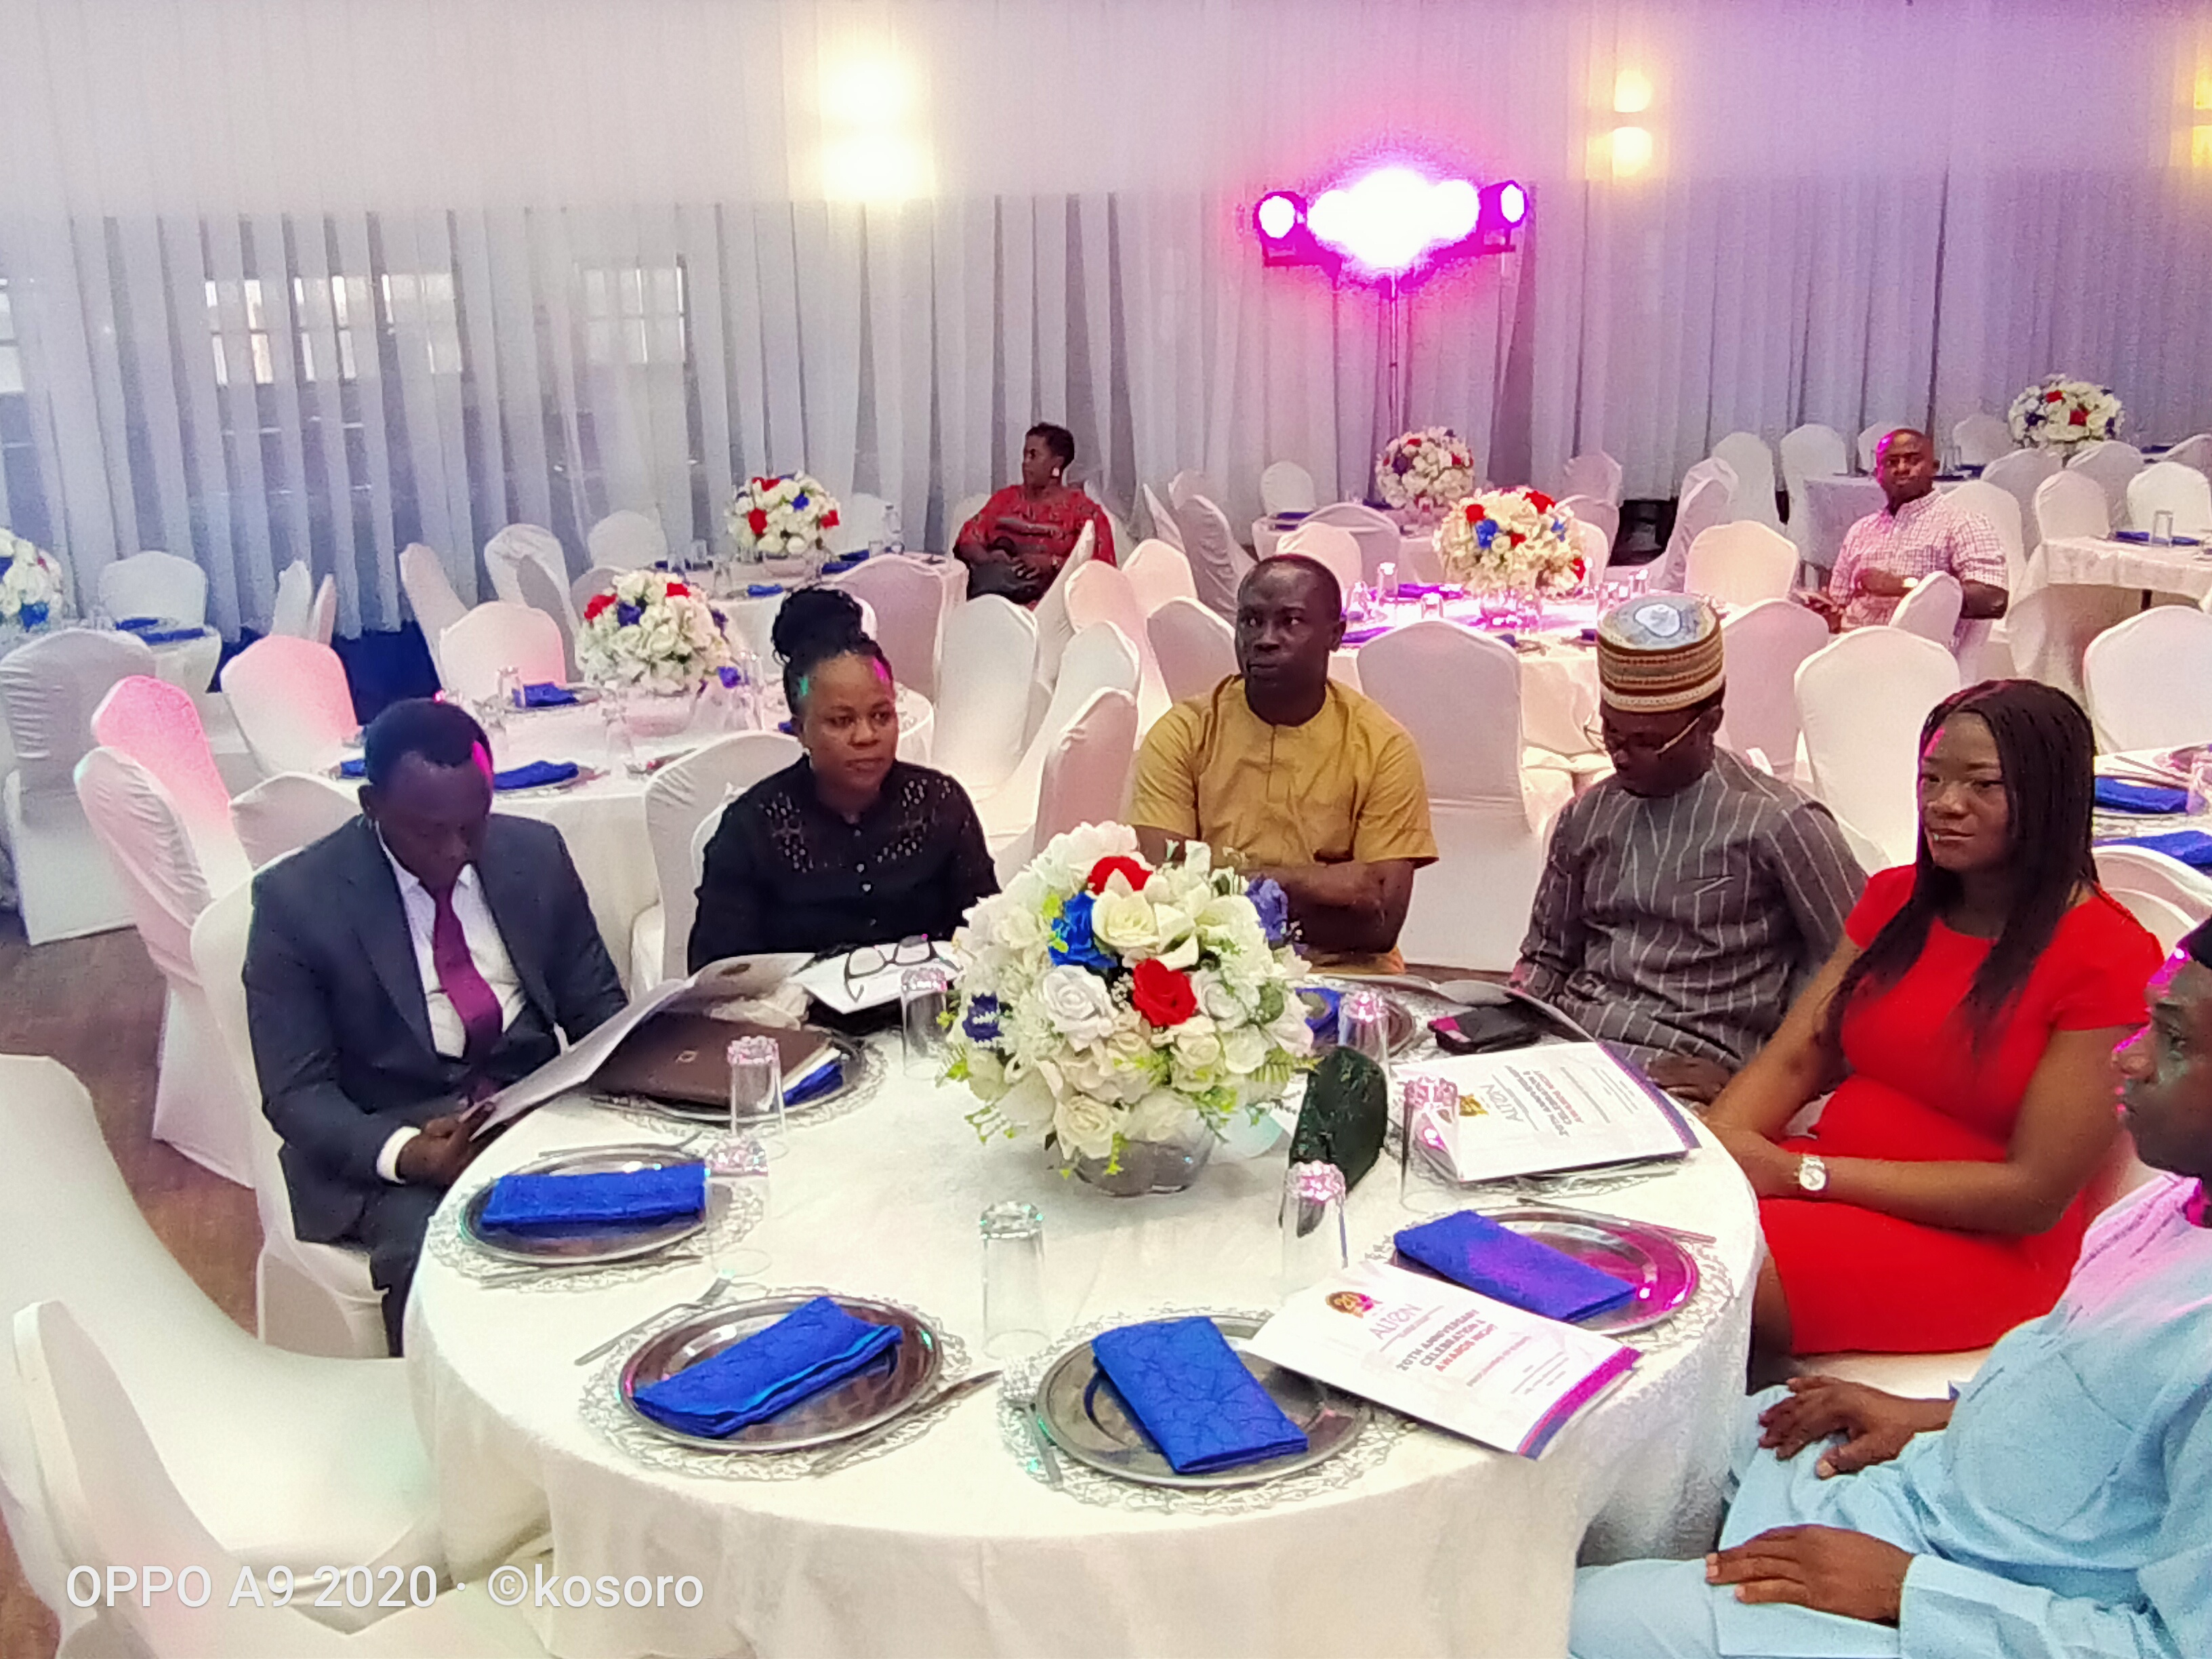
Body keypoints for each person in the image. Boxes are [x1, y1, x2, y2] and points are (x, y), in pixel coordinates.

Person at [1568, 917, 2212, 1659]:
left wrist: (1909, 1591)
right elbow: (2087, 1395)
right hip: (1923, 1490)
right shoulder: (2172, 1203)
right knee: (1622, 1444)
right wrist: (1934, 1418)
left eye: (2175, 1040)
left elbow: (2171, 1646)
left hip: (1968, 1600)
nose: (2130, 1058)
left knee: (1555, 1622)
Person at [1703, 679, 2160, 1361]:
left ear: (2051, 796)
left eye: (1983, 784)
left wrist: (1803, 1176)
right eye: (1932, 778)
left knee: (1700, 1277)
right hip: (1829, 1184)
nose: (1945, 803)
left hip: (1984, 1246)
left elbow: (2033, 1195)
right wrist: (1716, 1157)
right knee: (1652, 1223)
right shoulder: (1895, 902)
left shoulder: (2108, 956)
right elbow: (1798, 1055)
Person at [243, 699, 626, 1353]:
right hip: (393, 1139)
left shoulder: (533, 854)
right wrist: (410, 1153)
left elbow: (597, 1009)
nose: (457, 850)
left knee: (651, 1208)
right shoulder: (297, 902)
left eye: (474, 824)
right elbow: (297, 1093)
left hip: (533, 1110)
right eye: (430, 832)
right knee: (447, 1260)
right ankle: (444, 1409)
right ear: (371, 805)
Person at [1515, 594, 1865, 1102]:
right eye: (1610, 732)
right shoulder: (1588, 815)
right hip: (1574, 1048)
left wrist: (1754, 1087)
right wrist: (1506, 1029)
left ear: (1709, 722)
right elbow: (1547, 956)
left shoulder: (1780, 824)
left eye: (1645, 741)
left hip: (1693, 1072)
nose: (1620, 756)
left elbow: (1861, 973)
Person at [1130, 554, 1436, 973]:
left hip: (1347, 974)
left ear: (1335, 635)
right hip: (1207, 966)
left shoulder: (1383, 746)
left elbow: (1379, 926)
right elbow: (1166, 893)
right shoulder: (1184, 733)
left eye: (1290, 621)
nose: (1265, 639)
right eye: (1251, 621)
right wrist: (1317, 881)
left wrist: (1217, 886)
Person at [689, 587, 997, 969]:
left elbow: (986, 935)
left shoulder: (939, 804)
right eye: (841, 721)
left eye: (881, 716)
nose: (866, 736)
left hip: (927, 1000)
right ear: (800, 730)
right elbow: (719, 974)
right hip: (796, 1006)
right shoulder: (753, 829)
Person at [1805, 428, 2007, 647]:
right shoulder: (1861, 530)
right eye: (1891, 462)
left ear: (1934, 468)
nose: (1902, 468)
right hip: (1851, 645)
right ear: (1878, 473)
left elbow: (1994, 600)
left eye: (1913, 460)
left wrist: (1904, 586)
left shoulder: (1962, 523)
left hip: (1916, 653)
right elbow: (1840, 603)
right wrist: (1828, 613)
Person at [953, 422, 1115, 605]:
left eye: (1033, 455)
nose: (1025, 463)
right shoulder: (1005, 499)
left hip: (1049, 608)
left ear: (1057, 464)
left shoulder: (1084, 512)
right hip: (991, 598)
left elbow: (1102, 571)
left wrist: (1051, 564)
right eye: (1024, 455)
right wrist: (988, 558)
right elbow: (967, 540)